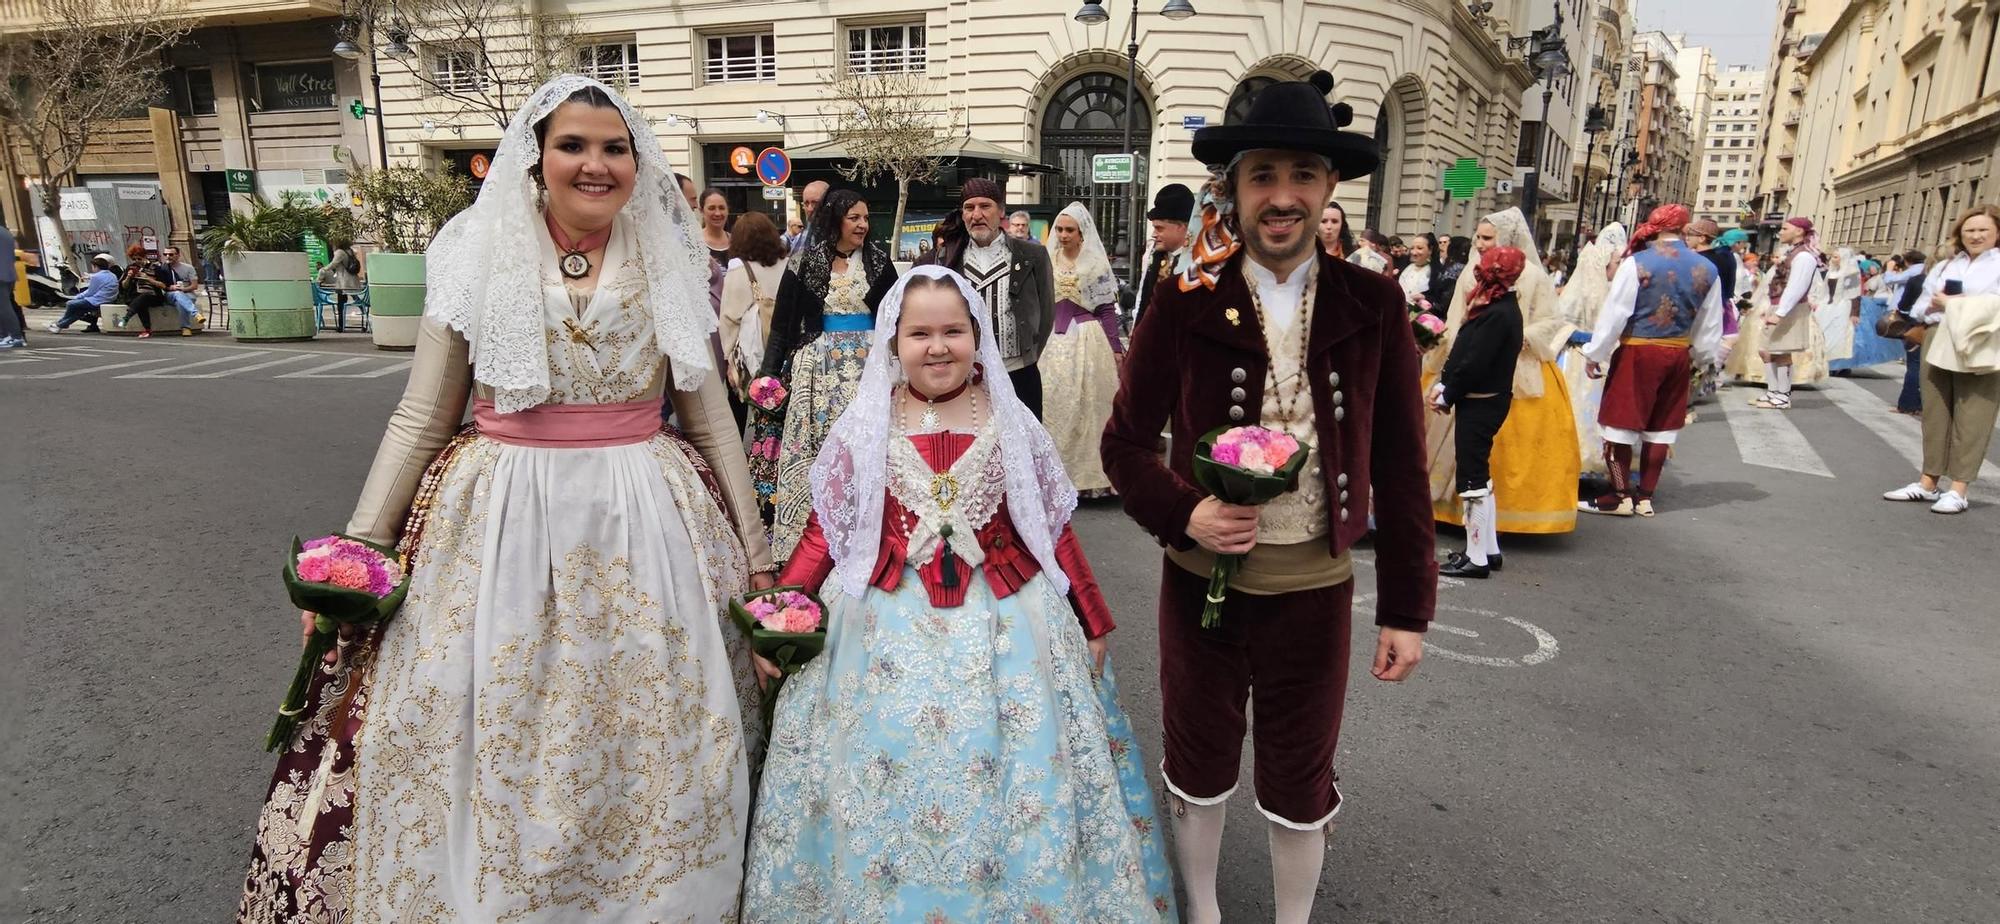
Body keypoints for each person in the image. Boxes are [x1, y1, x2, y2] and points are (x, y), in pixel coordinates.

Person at [234, 75, 774, 923]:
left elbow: (711, 423)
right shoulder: (475, 246)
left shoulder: (673, 258)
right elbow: (422, 414)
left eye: (613, 148)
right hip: (498, 524)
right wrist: (360, 548)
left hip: (651, 523)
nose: (594, 165)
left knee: (655, 735)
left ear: (637, 163)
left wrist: (760, 559)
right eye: (573, 145)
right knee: (486, 725)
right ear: (537, 155)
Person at [741, 265, 1177, 921]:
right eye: (920, 333)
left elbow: (1050, 529)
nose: (937, 347)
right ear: (894, 341)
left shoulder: (1012, 420)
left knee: (1011, 780)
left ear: (978, 336)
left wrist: (1092, 617)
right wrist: (777, 620)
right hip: (880, 628)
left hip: (1006, 627)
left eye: (952, 331)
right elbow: (825, 533)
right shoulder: (865, 425)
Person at [1102, 71, 1434, 924]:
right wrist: (1187, 512)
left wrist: (1408, 609)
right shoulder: (1182, 300)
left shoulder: (1376, 300)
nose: (1282, 197)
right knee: (1199, 765)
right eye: (1262, 177)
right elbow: (1124, 446)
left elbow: (1401, 462)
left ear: (1329, 187)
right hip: (1198, 591)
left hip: (1315, 596)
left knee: (1300, 776)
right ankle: (1205, 913)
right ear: (1234, 188)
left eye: (1301, 175)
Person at [1424, 207, 1578, 537]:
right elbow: (1458, 323)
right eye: (1478, 237)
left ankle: (1483, 542)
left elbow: (1550, 321)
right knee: (1469, 460)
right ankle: (1477, 538)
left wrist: (1514, 340)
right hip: (1469, 370)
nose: (1479, 243)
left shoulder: (1529, 279)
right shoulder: (1473, 272)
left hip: (1506, 374)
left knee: (1479, 463)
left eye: (1487, 238)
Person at [762, 188, 898, 562]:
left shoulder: (879, 263)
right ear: (835, 218)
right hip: (819, 372)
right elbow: (782, 324)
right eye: (854, 217)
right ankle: (815, 542)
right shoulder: (805, 262)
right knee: (821, 451)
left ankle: (875, 536)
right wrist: (768, 374)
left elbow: (896, 320)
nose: (862, 224)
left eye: (866, 218)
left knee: (871, 449)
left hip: (869, 370)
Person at [1577, 203, 1725, 517]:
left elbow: (1616, 313)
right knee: (1661, 427)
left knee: (1620, 423)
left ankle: (1619, 496)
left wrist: (1596, 354)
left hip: (1638, 350)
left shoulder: (1637, 263)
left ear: (1655, 226)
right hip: (1677, 352)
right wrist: (1702, 357)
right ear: (1684, 229)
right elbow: (1709, 322)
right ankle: (1645, 496)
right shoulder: (1707, 269)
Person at [1882, 205, 2000, 515]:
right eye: (1969, 230)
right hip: (1937, 336)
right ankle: (1928, 482)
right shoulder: (1946, 265)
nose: (1975, 236)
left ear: (1997, 233)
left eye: (1983, 230)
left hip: (1980, 342)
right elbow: (1921, 307)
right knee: (1934, 412)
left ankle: (1959, 488)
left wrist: (1954, 304)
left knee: (1973, 416)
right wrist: (1941, 306)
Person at [919, 178, 1056, 418]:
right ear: (962, 215)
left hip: (1018, 373)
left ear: (1001, 211)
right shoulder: (948, 259)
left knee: (1024, 444)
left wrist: (1028, 354)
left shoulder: (1031, 255)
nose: (977, 214)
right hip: (965, 376)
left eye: (985, 206)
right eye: (969, 208)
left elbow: (1046, 313)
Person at [1429, 246, 1527, 578]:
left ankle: (1477, 556)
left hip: (1481, 400)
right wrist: (1447, 384)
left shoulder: (1498, 312)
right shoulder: (1500, 307)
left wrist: (1448, 393)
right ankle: (1488, 549)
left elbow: (1474, 362)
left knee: (1471, 479)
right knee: (1480, 475)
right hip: (1484, 399)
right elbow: (1468, 353)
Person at [1041, 202, 1125, 497]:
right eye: (1059, 229)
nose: (1063, 235)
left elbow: (1106, 310)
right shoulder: (1047, 260)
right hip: (1052, 339)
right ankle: (1053, 475)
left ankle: (1091, 479)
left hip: (1087, 339)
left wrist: (1115, 348)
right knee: (1054, 402)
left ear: (1081, 233)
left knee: (1090, 406)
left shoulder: (1095, 265)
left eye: (1069, 230)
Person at [720, 211, 791, 523]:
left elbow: (729, 321)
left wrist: (729, 364)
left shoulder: (739, 270)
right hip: (786, 356)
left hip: (754, 361)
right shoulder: (788, 265)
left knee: (757, 420)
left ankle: (761, 488)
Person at [1555, 221, 1627, 478]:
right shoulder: (1581, 288)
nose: (1619, 268)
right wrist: (1595, 338)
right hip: (1577, 361)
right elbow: (1560, 325)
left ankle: (1608, 467)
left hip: (1606, 360)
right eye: (1617, 263)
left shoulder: (1617, 288)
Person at [1746, 217, 1825, 410]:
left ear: (1799, 231)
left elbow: (1797, 287)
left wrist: (1780, 313)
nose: (1780, 232)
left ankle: (1782, 395)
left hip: (1790, 308)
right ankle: (1773, 392)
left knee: (1781, 351)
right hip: (1780, 305)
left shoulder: (1804, 256)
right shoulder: (1793, 253)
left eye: (1785, 228)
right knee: (1767, 350)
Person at [1682, 219, 1737, 401]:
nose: (1686, 238)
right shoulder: (1725, 256)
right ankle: (1703, 384)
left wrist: (1719, 305)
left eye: (1690, 235)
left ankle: (1695, 388)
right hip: (1718, 305)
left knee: (1700, 348)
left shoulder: (1707, 260)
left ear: (1702, 237)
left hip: (1709, 306)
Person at [1137, 183, 1195, 325]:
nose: (1154, 234)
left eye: (1159, 228)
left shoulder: (1199, 261)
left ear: (1181, 227)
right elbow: (1143, 300)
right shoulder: (1155, 256)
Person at [1883, 249, 1931, 415]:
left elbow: (1903, 304)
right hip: (1941, 327)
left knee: (1914, 365)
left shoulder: (1917, 278)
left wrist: (1889, 268)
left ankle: (1909, 404)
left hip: (1917, 324)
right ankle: (1925, 404)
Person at [49, 253, 119, 333]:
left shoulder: (97, 277)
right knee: (80, 311)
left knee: (70, 304)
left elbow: (90, 292)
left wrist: (76, 297)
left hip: (98, 300)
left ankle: (61, 324)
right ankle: (61, 324)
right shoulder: (112, 275)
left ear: (95, 266)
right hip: (109, 299)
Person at [1823, 246, 1862, 369]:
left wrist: (1855, 313)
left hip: (1842, 305)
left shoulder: (1850, 273)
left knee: (1838, 335)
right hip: (1827, 304)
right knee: (1824, 333)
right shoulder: (1832, 271)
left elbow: (1855, 294)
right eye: (1832, 256)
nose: (1832, 259)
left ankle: (1836, 365)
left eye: (1835, 257)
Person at [316, 238, 365, 332]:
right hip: (352, 280)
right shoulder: (349, 251)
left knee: (341, 303)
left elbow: (334, 264)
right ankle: (363, 311)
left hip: (343, 281)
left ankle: (341, 326)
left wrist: (324, 269)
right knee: (353, 298)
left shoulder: (339, 252)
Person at [160, 246, 202, 336]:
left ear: (178, 255)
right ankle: (195, 314)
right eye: (165, 254)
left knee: (180, 303)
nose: (168, 256)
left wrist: (183, 289)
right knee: (177, 294)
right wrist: (170, 288)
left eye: (171, 254)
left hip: (188, 294)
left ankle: (186, 328)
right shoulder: (162, 268)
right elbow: (161, 285)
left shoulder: (188, 268)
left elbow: (195, 286)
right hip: (170, 295)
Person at [787, 179, 828, 258]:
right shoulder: (800, 240)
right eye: (806, 203)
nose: (810, 209)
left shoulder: (846, 236)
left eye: (815, 203)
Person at [699, 187, 732, 264]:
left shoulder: (736, 243)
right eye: (711, 208)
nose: (717, 213)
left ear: (728, 210)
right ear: (701, 211)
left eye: (722, 208)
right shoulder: (694, 244)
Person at [0, 225, 20, 348]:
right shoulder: (5, 232)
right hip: (9, 274)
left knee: (4, 308)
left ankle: (15, 337)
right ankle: (5, 336)